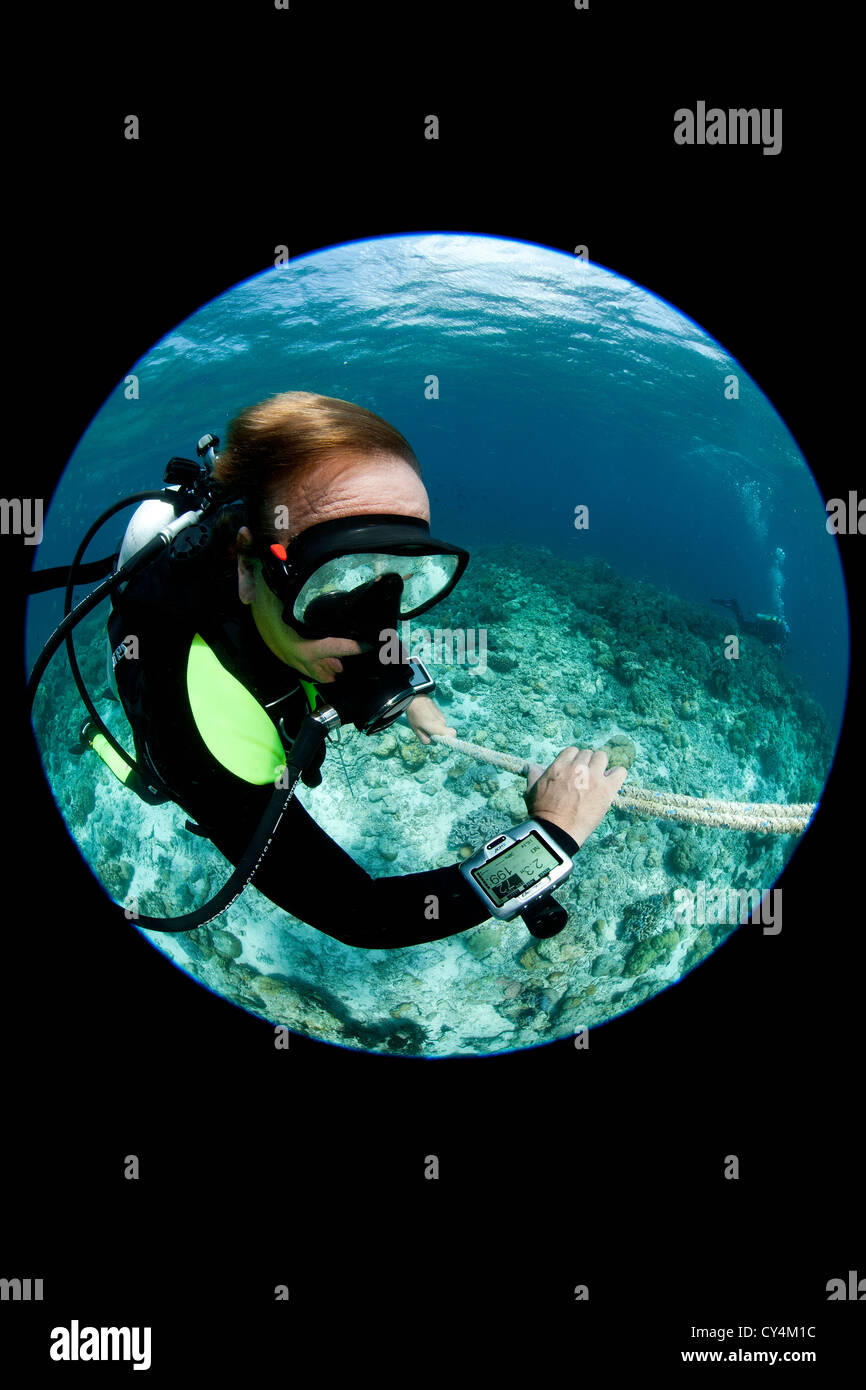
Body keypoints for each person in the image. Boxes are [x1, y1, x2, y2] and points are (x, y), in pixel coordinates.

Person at [107, 391, 626, 948]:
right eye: (332, 577)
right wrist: (551, 837)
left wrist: (408, 694)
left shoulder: (313, 592)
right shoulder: (198, 722)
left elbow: (365, 610)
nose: (378, 622)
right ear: (249, 572)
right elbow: (359, 914)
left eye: (403, 571)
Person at [711, 596, 790, 652]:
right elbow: (768, 640)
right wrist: (772, 646)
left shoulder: (778, 633)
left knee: (741, 624)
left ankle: (732, 604)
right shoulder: (778, 636)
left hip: (758, 628)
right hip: (757, 629)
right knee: (741, 625)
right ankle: (734, 603)